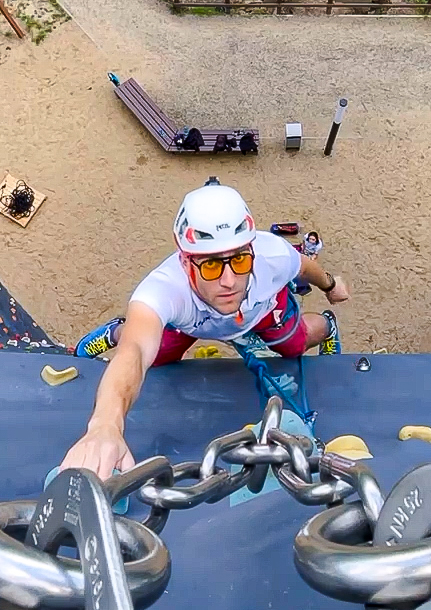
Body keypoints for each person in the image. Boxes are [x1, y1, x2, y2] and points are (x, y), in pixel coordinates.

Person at [61, 182, 350, 477]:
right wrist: (104, 427)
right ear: (185, 262)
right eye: (211, 265)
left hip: (260, 310)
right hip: (193, 319)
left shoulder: (271, 255)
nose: (228, 281)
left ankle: (326, 326)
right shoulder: (165, 288)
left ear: (250, 250)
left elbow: (302, 266)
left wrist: (329, 284)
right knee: (153, 353)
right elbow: (135, 350)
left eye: (239, 260)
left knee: (294, 345)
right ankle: (117, 331)